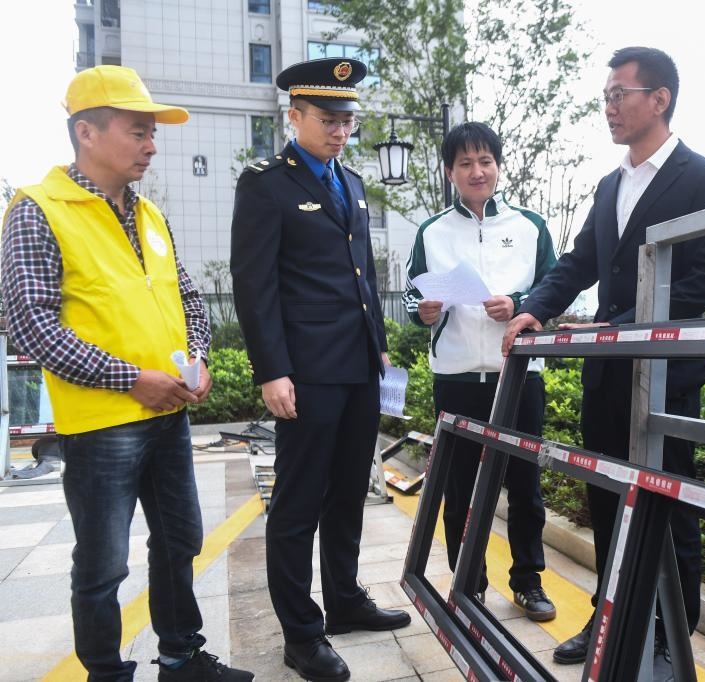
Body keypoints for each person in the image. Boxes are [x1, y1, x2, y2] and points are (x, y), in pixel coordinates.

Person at [0, 65, 252, 681]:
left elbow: (188, 299)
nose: (151, 145)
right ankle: (107, 673)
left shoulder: (150, 216)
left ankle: (181, 657)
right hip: (102, 423)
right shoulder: (37, 211)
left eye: (152, 133)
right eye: (138, 131)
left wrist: (197, 358)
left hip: (168, 413)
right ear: (86, 132)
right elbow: (31, 325)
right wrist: (130, 378)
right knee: (103, 564)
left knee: (180, 540)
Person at [501, 46, 705, 672]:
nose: (608, 107)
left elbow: (704, 280)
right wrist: (533, 309)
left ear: (659, 99)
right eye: (605, 96)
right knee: (607, 502)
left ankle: (669, 638)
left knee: (668, 507)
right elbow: (579, 262)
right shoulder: (610, 185)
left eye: (618, 95)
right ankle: (608, 620)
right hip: (607, 374)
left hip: (664, 376)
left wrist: (622, 326)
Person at [230, 57, 410, 682]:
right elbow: (254, 284)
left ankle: (345, 598)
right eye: (328, 120)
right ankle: (302, 635)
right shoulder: (266, 184)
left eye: (347, 121)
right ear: (295, 116)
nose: (340, 131)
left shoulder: (351, 183)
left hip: (358, 366)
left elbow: (364, 278)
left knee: (350, 492)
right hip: (306, 372)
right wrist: (271, 370)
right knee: (298, 502)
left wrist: (379, 346)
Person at [402, 122, 558, 622]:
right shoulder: (432, 231)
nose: (477, 171)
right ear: (450, 171)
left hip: (520, 375)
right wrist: (422, 310)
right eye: (465, 163)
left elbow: (555, 288)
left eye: (485, 161)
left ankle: (528, 582)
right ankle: (468, 583)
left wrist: (519, 302)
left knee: (525, 485)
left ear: (497, 165)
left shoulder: (529, 225)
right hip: (456, 377)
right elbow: (410, 294)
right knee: (459, 487)